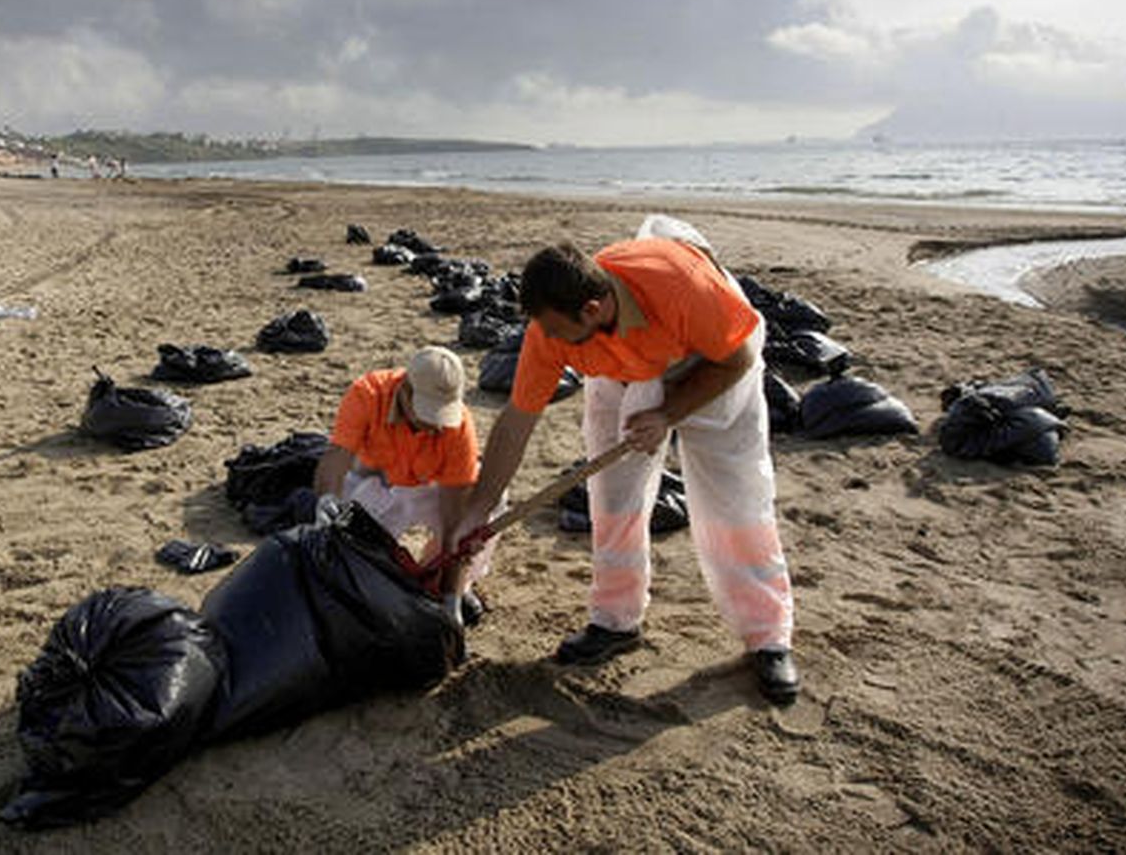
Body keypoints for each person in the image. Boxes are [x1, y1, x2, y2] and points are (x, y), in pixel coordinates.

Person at [459, 220, 799, 704]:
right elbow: (517, 421)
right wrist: (482, 507)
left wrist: (669, 413)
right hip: (624, 372)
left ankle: (768, 637)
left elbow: (738, 358)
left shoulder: (685, 287)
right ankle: (616, 621)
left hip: (714, 365)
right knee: (613, 499)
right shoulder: (551, 332)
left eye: (558, 331)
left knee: (737, 504)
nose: (550, 341)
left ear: (592, 308)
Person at [314, 345, 494, 627]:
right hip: (376, 485)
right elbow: (336, 458)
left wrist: (451, 600)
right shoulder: (368, 394)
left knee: (483, 508)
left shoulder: (458, 427)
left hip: (429, 488)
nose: (436, 426)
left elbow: (454, 518)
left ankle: (451, 586)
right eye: (427, 413)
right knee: (350, 548)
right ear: (405, 391)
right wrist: (326, 498)